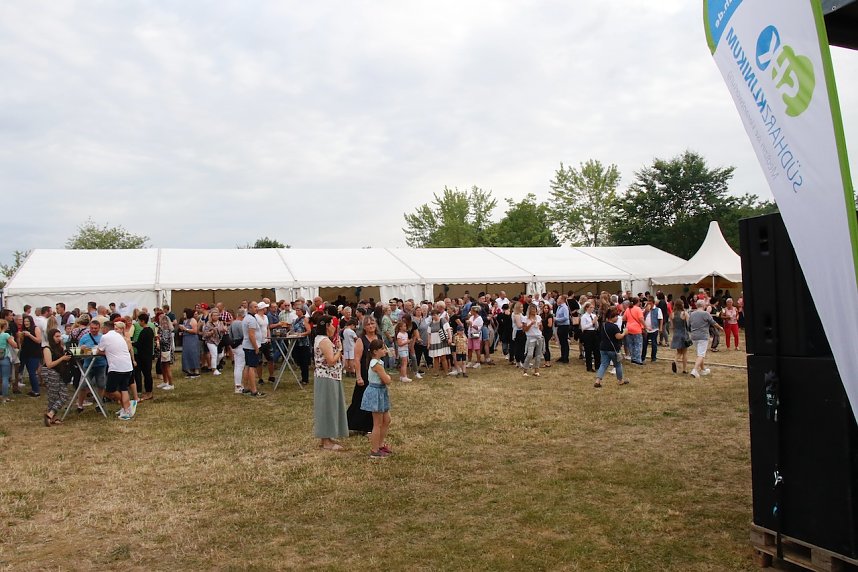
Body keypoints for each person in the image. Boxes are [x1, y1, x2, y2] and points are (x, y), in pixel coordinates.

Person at [313, 316, 348, 451]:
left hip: (331, 376)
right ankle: (326, 441)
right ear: (327, 325)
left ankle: (327, 437)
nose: (334, 328)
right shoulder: (324, 341)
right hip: (327, 377)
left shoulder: (322, 339)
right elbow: (331, 360)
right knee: (327, 407)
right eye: (333, 325)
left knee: (330, 406)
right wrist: (339, 349)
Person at [361, 338, 393, 459]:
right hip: (376, 393)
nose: (385, 350)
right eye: (382, 349)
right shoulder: (376, 364)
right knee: (377, 423)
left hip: (381, 392)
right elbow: (387, 380)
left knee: (387, 420)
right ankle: (374, 450)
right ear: (375, 351)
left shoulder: (379, 362)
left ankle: (380, 445)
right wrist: (388, 377)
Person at [348, 316, 380, 434]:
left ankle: (371, 425)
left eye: (372, 323)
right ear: (364, 327)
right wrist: (358, 376)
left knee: (375, 399)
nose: (371, 326)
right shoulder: (361, 340)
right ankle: (353, 424)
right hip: (365, 373)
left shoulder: (378, 338)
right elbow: (357, 359)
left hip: (376, 373)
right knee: (361, 399)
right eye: (368, 325)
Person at [98, 320, 135, 420]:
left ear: (105, 328)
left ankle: (125, 405)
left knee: (110, 390)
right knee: (124, 388)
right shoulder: (119, 336)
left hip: (116, 367)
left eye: (102, 328)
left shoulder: (105, 337)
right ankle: (126, 409)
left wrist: (107, 352)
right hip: (127, 365)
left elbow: (99, 351)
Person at [41, 328, 72, 425]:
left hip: (58, 373)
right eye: (56, 336)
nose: (59, 338)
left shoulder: (59, 347)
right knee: (53, 396)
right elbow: (49, 364)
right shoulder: (47, 348)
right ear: (51, 337)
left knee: (63, 395)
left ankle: (50, 415)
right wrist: (62, 358)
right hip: (50, 372)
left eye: (60, 336)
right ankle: (51, 416)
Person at [76, 320, 108, 411]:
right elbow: (79, 351)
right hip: (88, 364)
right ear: (89, 328)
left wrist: (99, 351)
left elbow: (107, 351)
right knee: (83, 385)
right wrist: (82, 349)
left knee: (101, 385)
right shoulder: (84, 337)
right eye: (92, 328)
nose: (94, 330)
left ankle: (99, 403)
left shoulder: (103, 337)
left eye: (95, 328)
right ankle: (80, 405)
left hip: (101, 364)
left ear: (99, 328)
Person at [688, 299, 725, 379]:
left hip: (694, 336)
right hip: (703, 336)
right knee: (701, 354)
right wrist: (721, 327)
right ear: (703, 305)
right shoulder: (706, 314)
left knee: (699, 353)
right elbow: (713, 322)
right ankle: (694, 370)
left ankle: (703, 369)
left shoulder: (691, 314)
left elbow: (689, 324)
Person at [594, 307, 629, 388]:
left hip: (603, 348)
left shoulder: (604, 325)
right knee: (618, 365)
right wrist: (624, 333)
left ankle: (598, 380)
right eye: (616, 316)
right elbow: (618, 337)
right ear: (611, 317)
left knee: (603, 365)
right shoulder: (614, 327)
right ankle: (620, 380)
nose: (617, 318)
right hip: (613, 349)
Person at [240, 301, 265, 397]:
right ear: (250, 308)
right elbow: (251, 335)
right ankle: (253, 390)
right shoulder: (251, 319)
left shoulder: (248, 318)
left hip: (247, 346)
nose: (257, 308)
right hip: (251, 346)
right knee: (252, 367)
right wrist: (256, 347)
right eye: (255, 307)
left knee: (247, 366)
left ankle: (246, 387)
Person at [18, 315, 43, 397]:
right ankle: (33, 389)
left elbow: (39, 340)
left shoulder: (36, 328)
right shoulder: (24, 330)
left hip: (34, 353)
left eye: (27, 321)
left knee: (32, 372)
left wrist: (29, 335)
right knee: (29, 372)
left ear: (31, 321)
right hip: (26, 353)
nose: (26, 323)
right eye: (24, 322)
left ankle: (36, 391)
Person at [135, 313, 155, 400]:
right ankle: (148, 391)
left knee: (147, 375)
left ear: (142, 321)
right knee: (147, 374)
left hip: (144, 356)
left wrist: (131, 343)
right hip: (148, 354)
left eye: (139, 320)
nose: (138, 322)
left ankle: (149, 392)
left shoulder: (144, 332)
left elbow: (139, 344)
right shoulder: (150, 330)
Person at [521, 303, 544, 377]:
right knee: (530, 354)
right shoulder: (525, 318)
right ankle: (525, 369)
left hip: (539, 337)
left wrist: (540, 325)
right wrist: (530, 324)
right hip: (530, 338)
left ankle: (536, 370)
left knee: (538, 355)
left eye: (535, 309)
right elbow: (524, 330)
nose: (534, 311)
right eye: (532, 309)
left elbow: (541, 329)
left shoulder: (538, 317)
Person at [427, 310, 451, 376]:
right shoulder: (431, 324)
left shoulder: (443, 320)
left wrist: (450, 339)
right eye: (432, 315)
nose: (433, 316)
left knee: (443, 357)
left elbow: (448, 330)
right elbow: (429, 334)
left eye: (435, 315)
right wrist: (429, 343)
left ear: (438, 314)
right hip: (434, 342)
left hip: (442, 341)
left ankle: (446, 372)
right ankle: (436, 373)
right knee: (436, 358)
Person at [291, 306, 312, 386]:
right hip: (297, 342)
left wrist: (301, 334)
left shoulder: (305, 319)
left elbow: (309, 331)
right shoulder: (296, 320)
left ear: (302, 311)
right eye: (296, 310)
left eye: (298, 310)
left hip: (303, 343)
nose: (297, 311)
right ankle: (303, 377)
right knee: (298, 359)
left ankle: (305, 379)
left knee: (304, 362)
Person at [0, 319, 19, 403]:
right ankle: (5, 397)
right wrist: (12, 338)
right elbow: (15, 345)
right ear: (5, 326)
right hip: (4, 357)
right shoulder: (6, 335)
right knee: (5, 377)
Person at [201, 310, 225, 376]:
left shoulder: (220, 323)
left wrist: (223, 330)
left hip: (219, 340)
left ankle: (215, 364)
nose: (216, 317)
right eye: (214, 315)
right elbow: (204, 334)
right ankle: (214, 369)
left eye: (217, 315)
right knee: (214, 354)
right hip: (210, 341)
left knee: (221, 355)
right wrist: (211, 332)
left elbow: (223, 331)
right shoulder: (208, 324)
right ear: (211, 316)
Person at [670, 299, 691, 375]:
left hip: (676, 333)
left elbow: (672, 326)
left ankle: (675, 361)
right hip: (683, 333)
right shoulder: (684, 313)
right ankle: (684, 369)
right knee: (685, 352)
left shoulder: (672, 314)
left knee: (679, 352)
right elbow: (688, 324)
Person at [623, 297, 646, 365]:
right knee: (638, 344)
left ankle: (633, 358)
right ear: (638, 302)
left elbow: (624, 318)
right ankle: (637, 359)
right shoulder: (638, 309)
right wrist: (645, 326)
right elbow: (641, 319)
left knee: (630, 344)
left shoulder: (628, 309)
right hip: (636, 328)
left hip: (628, 328)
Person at [178, 309, 200, 378]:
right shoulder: (185, 321)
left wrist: (185, 329)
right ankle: (189, 369)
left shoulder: (193, 320)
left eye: (185, 313)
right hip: (186, 339)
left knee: (193, 353)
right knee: (186, 354)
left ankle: (196, 370)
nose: (184, 315)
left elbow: (195, 331)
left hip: (192, 339)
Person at [227, 309, 245, 394]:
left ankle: (238, 384)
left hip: (234, 346)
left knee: (237, 366)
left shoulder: (232, 324)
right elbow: (244, 335)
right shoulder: (240, 323)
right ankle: (238, 385)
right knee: (240, 366)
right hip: (240, 345)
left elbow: (229, 335)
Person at [156, 313, 175, 391]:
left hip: (167, 351)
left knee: (167, 367)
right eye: (162, 322)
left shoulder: (167, 331)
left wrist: (158, 339)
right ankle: (165, 381)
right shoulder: (162, 330)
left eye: (165, 322)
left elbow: (165, 341)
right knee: (162, 366)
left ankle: (171, 384)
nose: (164, 323)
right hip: (162, 350)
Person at [580, 302, 599, 372]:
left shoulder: (593, 315)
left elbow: (596, 326)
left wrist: (596, 323)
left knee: (596, 350)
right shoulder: (584, 317)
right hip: (587, 333)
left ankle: (598, 366)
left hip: (594, 332)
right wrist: (592, 323)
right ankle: (589, 367)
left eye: (592, 308)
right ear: (586, 308)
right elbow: (583, 327)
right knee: (588, 350)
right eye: (590, 308)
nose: (592, 309)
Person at [642, 299, 662, 363]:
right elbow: (641, 317)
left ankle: (653, 357)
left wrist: (660, 328)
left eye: (650, 303)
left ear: (653, 303)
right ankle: (643, 357)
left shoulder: (657, 310)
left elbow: (660, 319)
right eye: (648, 303)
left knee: (654, 343)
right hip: (646, 329)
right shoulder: (645, 310)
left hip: (654, 329)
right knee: (644, 344)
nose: (649, 305)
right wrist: (645, 310)